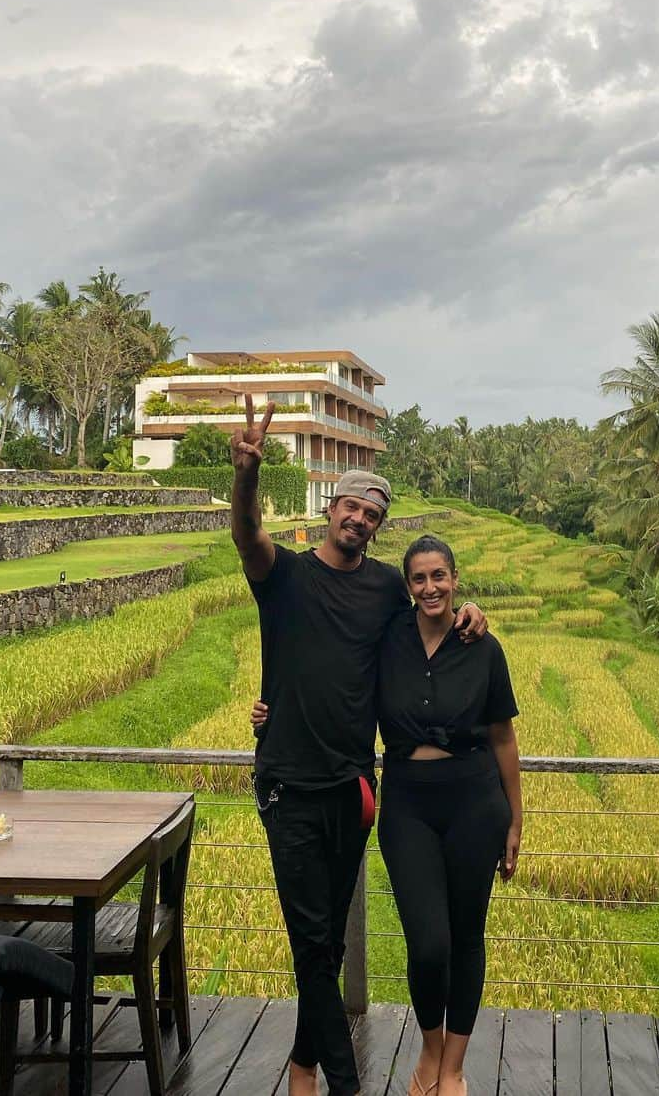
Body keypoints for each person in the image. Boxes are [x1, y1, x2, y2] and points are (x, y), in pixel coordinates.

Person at [230, 397, 486, 1096]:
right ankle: (346, 1085)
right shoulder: (282, 575)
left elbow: (428, 624)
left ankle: (303, 1068)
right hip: (287, 783)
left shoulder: (384, 591)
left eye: (372, 516)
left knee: (329, 946)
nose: (359, 520)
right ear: (330, 508)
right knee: (313, 949)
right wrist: (247, 474)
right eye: (352, 508)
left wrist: (468, 613)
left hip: (353, 788)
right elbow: (246, 532)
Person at [254, 532, 523, 1096]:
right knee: (428, 942)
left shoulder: (482, 645)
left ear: (455, 580)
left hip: (476, 800)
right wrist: (273, 709)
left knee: (468, 934)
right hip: (408, 801)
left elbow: (502, 737)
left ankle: (451, 1069)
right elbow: (329, 673)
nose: (431, 587)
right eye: (420, 578)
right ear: (407, 587)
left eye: (440, 577)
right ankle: (428, 1050)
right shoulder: (387, 637)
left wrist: (516, 821)